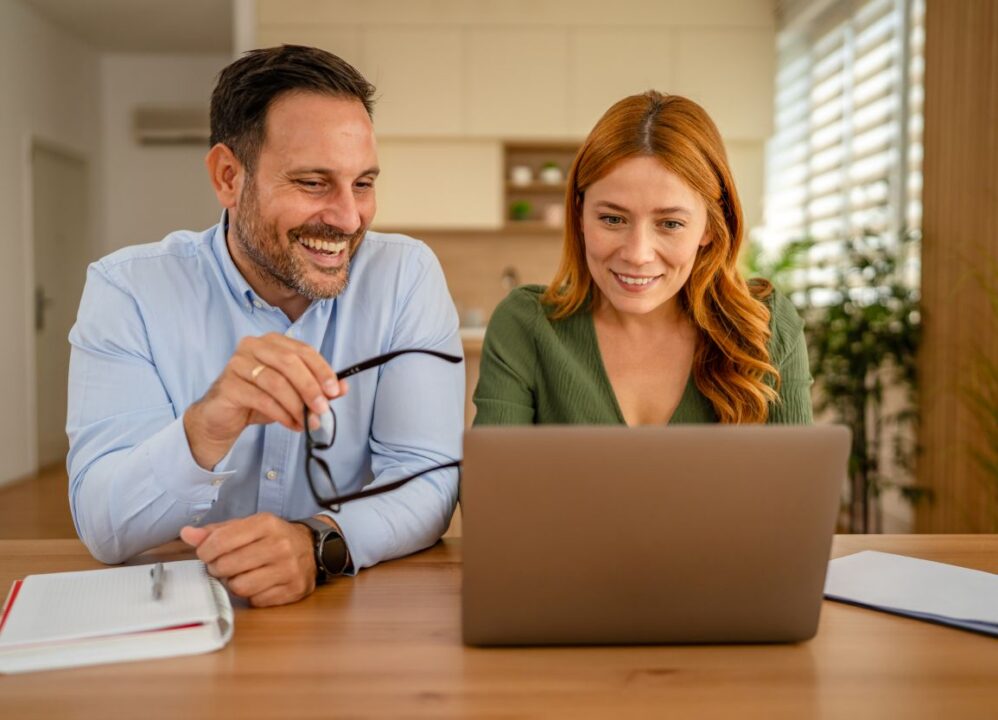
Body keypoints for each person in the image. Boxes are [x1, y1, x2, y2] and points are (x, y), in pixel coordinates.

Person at [67, 45, 464, 607]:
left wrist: (319, 541)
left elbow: (428, 478)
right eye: (312, 183)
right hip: (177, 620)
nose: (349, 219)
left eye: (364, 183)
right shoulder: (127, 291)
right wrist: (206, 427)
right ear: (229, 177)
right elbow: (104, 528)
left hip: (343, 617)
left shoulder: (404, 276)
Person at [473, 91, 812, 426]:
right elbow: (490, 481)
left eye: (670, 224)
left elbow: (798, 481)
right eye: (612, 219)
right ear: (579, 215)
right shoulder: (526, 326)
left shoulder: (765, 328)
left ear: (710, 225)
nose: (637, 254)